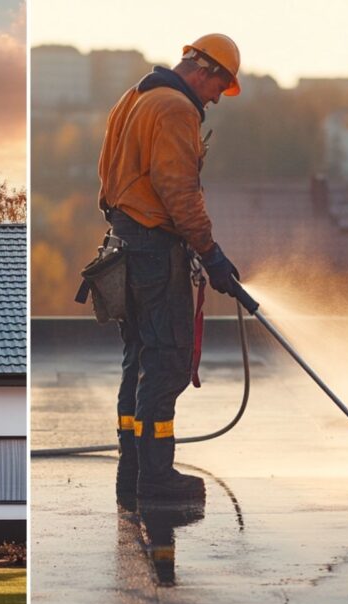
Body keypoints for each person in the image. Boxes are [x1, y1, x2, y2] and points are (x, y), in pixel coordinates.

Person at [97, 34, 243, 500]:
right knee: (167, 360)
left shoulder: (135, 96)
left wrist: (125, 227)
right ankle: (157, 478)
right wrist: (210, 253)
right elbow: (180, 191)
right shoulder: (176, 109)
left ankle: (132, 469)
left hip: (123, 239)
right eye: (220, 86)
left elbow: (107, 172)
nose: (217, 98)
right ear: (204, 70)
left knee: (137, 354)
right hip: (154, 247)